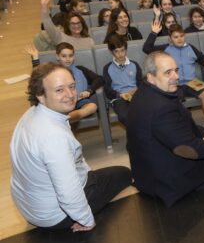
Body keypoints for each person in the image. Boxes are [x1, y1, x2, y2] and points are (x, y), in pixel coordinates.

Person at [10, 62, 131, 231]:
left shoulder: (30, 115)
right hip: (56, 216)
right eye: (59, 90)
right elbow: (67, 192)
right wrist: (85, 220)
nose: (70, 94)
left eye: (72, 86)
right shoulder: (53, 137)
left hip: (29, 207)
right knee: (124, 174)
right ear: (41, 95)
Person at [126, 52, 204, 207]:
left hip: (145, 169)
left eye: (176, 70)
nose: (176, 76)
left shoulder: (142, 93)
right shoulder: (160, 108)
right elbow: (185, 149)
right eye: (168, 72)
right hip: (165, 181)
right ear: (151, 77)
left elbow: (176, 126)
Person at [143, 23, 204, 138]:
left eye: (181, 36)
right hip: (175, 84)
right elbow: (146, 49)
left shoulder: (190, 47)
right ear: (170, 39)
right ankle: (182, 129)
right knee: (175, 102)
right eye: (176, 37)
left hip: (192, 82)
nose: (179, 39)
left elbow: (201, 57)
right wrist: (154, 33)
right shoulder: (165, 49)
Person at [26, 42, 103, 123]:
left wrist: (89, 90)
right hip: (60, 103)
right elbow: (37, 78)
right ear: (57, 56)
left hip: (79, 102)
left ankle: (63, 119)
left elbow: (99, 79)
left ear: (74, 56)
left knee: (92, 106)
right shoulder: (52, 72)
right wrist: (35, 59)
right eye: (64, 56)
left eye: (70, 56)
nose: (68, 59)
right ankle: (62, 118)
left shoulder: (80, 70)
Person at [103, 36, 143, 126]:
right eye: (116, 51)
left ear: (126, 50)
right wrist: (120, 94)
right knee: (124, 116)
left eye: (122, 50)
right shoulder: (107, 68)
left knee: (145, 111)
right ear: (111, 52)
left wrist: (135, 91)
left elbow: (141, 83)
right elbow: (107, 90)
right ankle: (138, 135)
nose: (120, 54)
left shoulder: (134, 64)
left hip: (135, 95)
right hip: (119, 98)